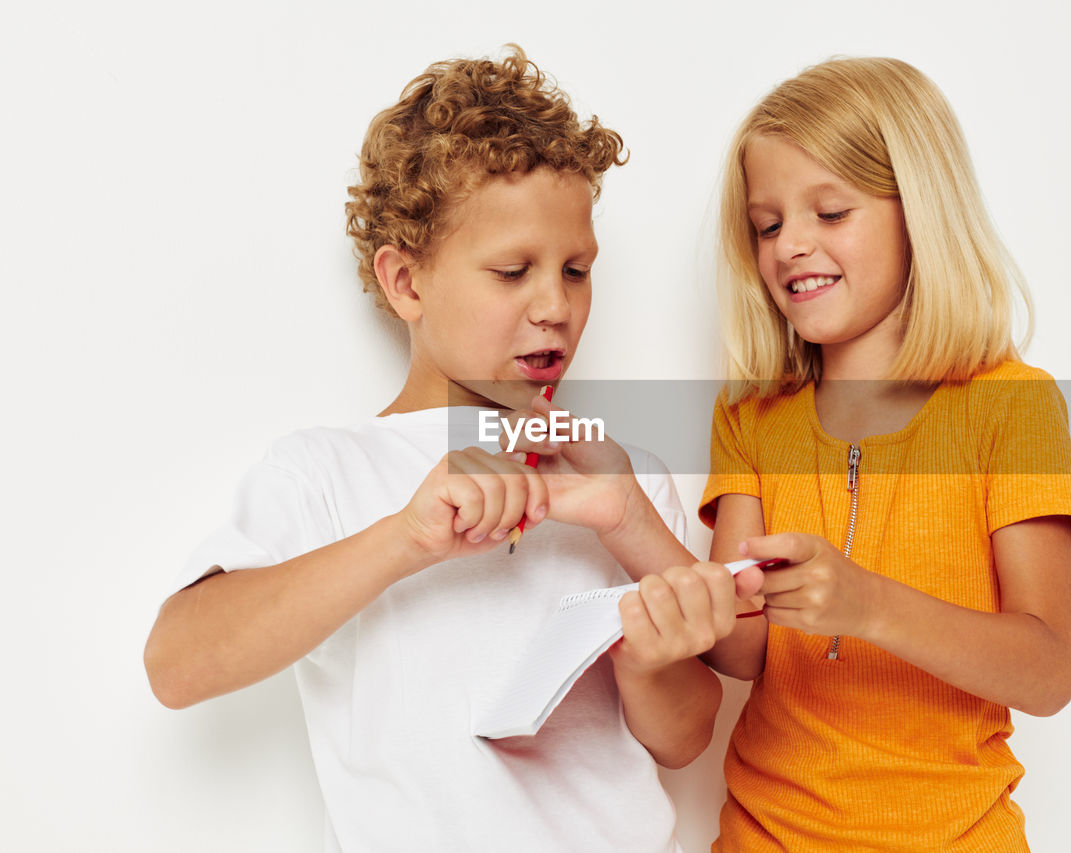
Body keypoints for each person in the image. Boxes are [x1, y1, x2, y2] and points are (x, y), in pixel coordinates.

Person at [144, 46, 738, 853]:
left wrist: (639, 602)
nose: (555, 305)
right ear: (406, 283)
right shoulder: (325, 471)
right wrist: (405, 537)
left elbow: (687, 736)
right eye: (511, 271)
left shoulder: (615, 476)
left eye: (576, 269)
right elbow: (176, 665)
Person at [698, 57, 1071, 851]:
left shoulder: (1011, 404)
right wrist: (623, 516)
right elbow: (741, 648)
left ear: (922, 212)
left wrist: (870, 605)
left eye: (831, 211)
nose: (789, 246)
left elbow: (1049, 670)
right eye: (768, 224)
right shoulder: (752, 414)